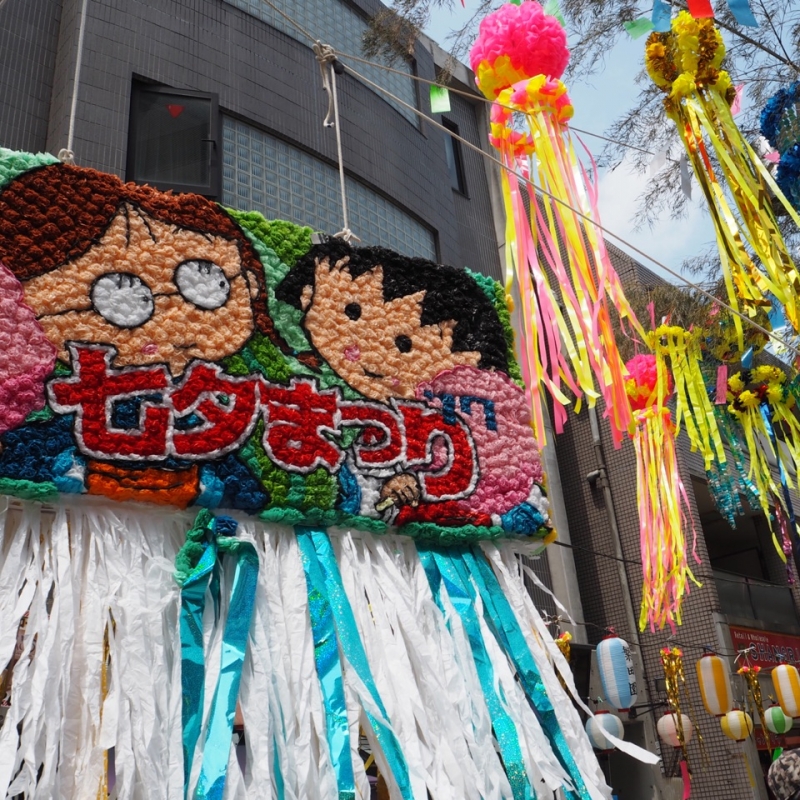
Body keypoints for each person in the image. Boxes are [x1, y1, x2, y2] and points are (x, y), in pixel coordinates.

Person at [0, 161, 283, 509]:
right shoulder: (67, 400)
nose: (178, 316)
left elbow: (243, 480)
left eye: (208, 281)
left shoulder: (204, 406)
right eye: (119, 295)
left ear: (250, 283)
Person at [276, 239, 550, 534]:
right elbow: (354, 490)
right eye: (352, 312)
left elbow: (519, 501)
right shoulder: (376, 425)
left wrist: (403, 492)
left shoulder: (467, 419)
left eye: (404, 344)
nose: (367, 348)